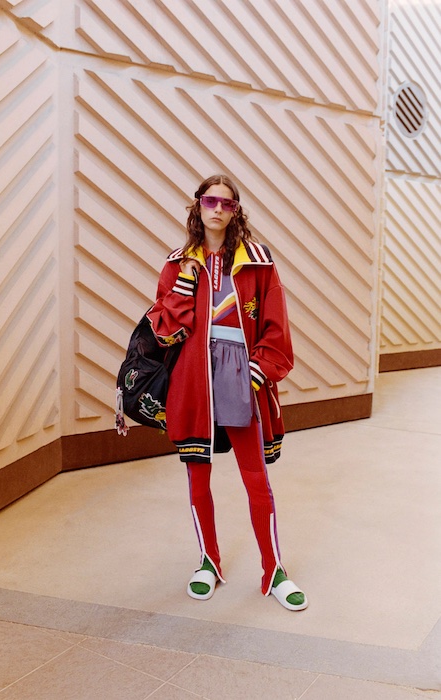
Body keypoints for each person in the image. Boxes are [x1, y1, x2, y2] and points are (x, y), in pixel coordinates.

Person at [146, 175, 307, 611]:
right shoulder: (178, 263)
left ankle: (273, 569)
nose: (217, 209)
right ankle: (208, 561)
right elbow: (164, 329)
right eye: (210, 201)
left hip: (241, 375)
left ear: (236, 212)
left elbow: (276, 327)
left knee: (256, 478)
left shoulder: (259, 262)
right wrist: (184, 284)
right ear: (198, 206)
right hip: (193, 378)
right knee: (198, 476)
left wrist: (255, 374)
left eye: (227, 203)